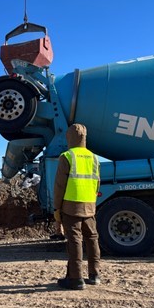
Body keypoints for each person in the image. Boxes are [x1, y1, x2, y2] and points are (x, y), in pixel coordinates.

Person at [53, 123, 101, 290]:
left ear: (69, 137)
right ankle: (94, 275)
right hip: (89, 205)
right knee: (92, 239)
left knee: (75, 241)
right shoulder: (94, 158)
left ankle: (76, 278)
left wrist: (57, 208)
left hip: (71, 207)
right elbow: (97, 183)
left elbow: (60, 186)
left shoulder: (67, 156)